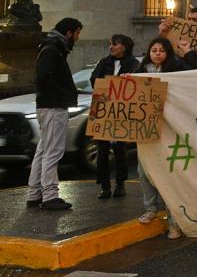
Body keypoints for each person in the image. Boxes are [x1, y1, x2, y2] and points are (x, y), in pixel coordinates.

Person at [25, 18, 84, 211]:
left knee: (43, 150)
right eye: (77, 33)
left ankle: (34, 193)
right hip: (53, 107)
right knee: (53, 151)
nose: (77, 37)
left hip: (48, 105)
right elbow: (44, 78)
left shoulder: (52, 48)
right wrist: (66, 95)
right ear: (68, 33)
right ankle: (50, 195)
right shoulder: (52, 50)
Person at [134, 37, 188, 238]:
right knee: (143, 171)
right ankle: (151, 208)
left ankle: (174, 221)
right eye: (154, 49)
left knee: (167, 174)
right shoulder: (139, 72)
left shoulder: (177, 70)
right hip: (146, 130)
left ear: (168, 53)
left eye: (162, 50)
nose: (157, 53)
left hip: (169, 130)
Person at [90, 34, 139, 199]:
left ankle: (120, 184)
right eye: (110, 44)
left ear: (124, 47)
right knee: (102, 151)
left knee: (120, 150)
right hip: (104, 110)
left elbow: (137, 84)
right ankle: (104, 186)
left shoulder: (133, 64)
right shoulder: (105, 62)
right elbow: (94, 79)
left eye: (115, 44)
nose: (111, 47)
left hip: (122, 112)